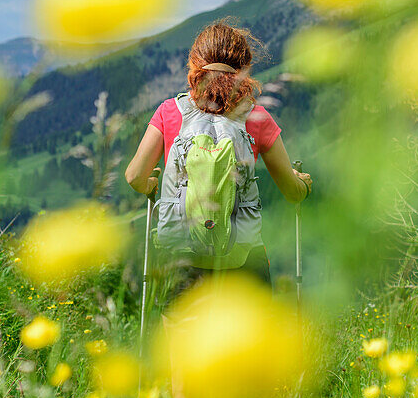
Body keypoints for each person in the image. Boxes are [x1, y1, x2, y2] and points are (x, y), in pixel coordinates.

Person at [124, 19, 312, 294]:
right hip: (243, 262)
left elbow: (134, 176)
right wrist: (302, 184)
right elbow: (292, 192)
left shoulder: (170, 112)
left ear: (195, 66)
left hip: (181, 261)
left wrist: (151, 185)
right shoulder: (257, 117)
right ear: (243, 70)